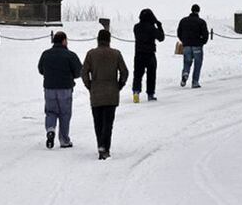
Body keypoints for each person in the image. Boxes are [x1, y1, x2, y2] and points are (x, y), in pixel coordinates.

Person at [81, 29, 129, 160]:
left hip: (96, 93)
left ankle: (100, 146)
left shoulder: (91, 54)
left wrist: (90, 85)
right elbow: (125, 72)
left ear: (98, 40)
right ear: (109, 40)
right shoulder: (116, 54)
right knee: (108, 123)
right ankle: (105, 148)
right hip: (111, 94)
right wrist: (119, 85)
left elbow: (83, 72)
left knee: (98, 123)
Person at [37, 31, 83, 149]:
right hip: (65, 88)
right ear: (63, 41)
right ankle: (64, 140)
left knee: (50, 112)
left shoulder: (45, 54)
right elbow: (79, 71)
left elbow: (41, 69)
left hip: (49, 88)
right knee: (65, 114)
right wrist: (71, 76)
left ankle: (50, 129)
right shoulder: (70, 55)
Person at [132, 8, 165, 102]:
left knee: (137, 74)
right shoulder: (151, 28)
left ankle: (136, 92)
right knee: (151, 75)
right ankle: (150, 94)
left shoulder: (136, 27)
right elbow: (161, 38)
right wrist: (159, 26)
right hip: (150, 54)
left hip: (138, 53)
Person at [177, 3, 209, 88]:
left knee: (187, 62)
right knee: (197, 64)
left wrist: (183, 41)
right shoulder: (201, 22)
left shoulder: (183, 20)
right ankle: (195, 82)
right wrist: (202, 42)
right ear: (198, 11)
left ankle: (185, 73)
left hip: (186, 45)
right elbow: (205, 35)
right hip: (197, 45)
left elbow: (179, 32)